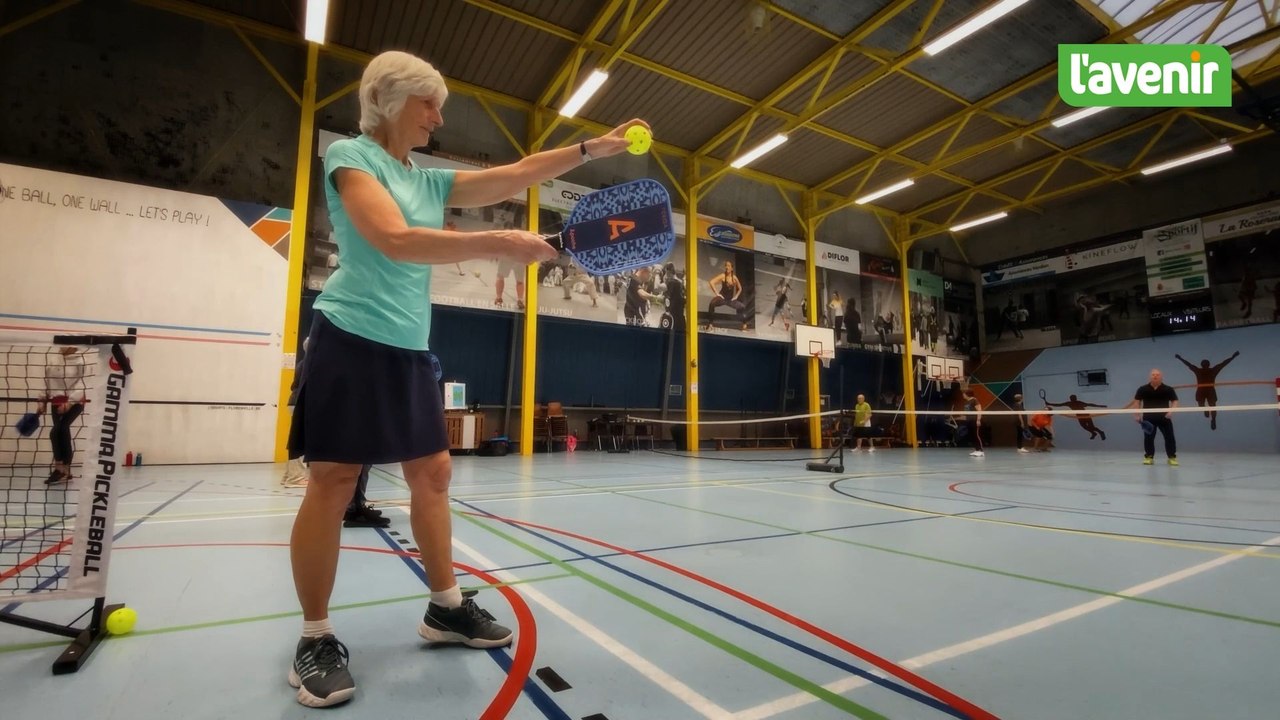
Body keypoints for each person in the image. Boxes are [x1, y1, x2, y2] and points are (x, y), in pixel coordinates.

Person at [285, 49, 646, 708]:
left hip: (408, 347)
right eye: (430, 104)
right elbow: (393, 239)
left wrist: (592, 147)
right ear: (391, 100)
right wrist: (499, 244)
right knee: (333, 481)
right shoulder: (351, 158)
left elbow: (516, 174)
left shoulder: (425, 180)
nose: (438, 117)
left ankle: (445, 607)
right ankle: (315, 636)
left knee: (433, 474)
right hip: (349, 338)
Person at [38, 346, 87, 485]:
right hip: (56, 401)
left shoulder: (80, 361)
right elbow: (46, 381)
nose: (62, 346)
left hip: (75, 402)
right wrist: (42, 401)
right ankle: (64, 471)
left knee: (59, 430)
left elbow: (82, 384)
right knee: (59, 432)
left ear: (72, 345)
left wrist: (69, 403)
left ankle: (61, 469)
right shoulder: (53, 360)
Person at [1124, 368, 1179, 466]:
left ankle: (1172, 457)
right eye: (1153, 374)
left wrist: (1171, 411)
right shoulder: (1142, 389)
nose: (1155, 376)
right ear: (1150, 377)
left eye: (1157, 374)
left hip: (1164, 418)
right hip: (1148, 419)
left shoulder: (1168, 389)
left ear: (1161, 377)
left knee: (1169, 437)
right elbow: (1137, 402)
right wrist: (1136, 414)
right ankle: (1149, 457)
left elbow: (1175, 401)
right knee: (1148, 438)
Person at [1174, 351, 1239, 430]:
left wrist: (1180, 358)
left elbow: (1189, 364)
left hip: (1205, 390)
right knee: (1206, 405)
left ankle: (1211, 417)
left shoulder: (1202, 370)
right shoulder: (1208, 370)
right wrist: (1233, 357)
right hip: (1206, 390)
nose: (1205, 365)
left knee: (1210, 405)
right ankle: (1208, 413)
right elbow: (1223, 364)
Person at [704, 259, 747, 331]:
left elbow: (740, 288)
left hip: (730, 300)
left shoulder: (734, 278)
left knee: (742, 306)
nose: (727, 267)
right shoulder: (722, 276)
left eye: (729, 266)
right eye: (726, 266)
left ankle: (744, 324)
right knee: (712, 303)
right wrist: (717, 293)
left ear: (732, 268)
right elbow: (711, 282)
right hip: (722, 298)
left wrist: (736, 296)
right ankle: (710, 323)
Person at [960, 388, 983, 457]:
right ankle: (976, 450)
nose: (963, 395)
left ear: (967, 394)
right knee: (971, 435)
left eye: (963, 393)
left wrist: (978, 420)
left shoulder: (974, 400)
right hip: (968, 420)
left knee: (976, 435)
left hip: (974, 420)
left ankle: (981, 451)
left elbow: (979, 410)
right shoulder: (966, 402)